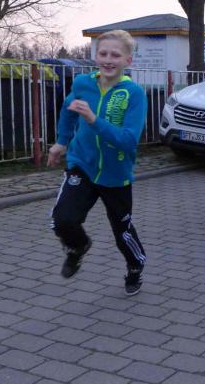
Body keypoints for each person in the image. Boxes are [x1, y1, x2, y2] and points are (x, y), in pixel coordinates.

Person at [48, 30, 148, 296]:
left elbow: (128, 141)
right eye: (103, 53)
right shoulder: (83, 84)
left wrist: (94, 120)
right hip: (82, 163)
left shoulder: (134, 94)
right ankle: (78, 246)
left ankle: (135, 265)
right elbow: (68, 110)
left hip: (116, 173)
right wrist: (61, 142)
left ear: (128, 61)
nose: (108, 60)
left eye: (115, 55)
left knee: (122, 231)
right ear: (95, 56)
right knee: (62, 220)